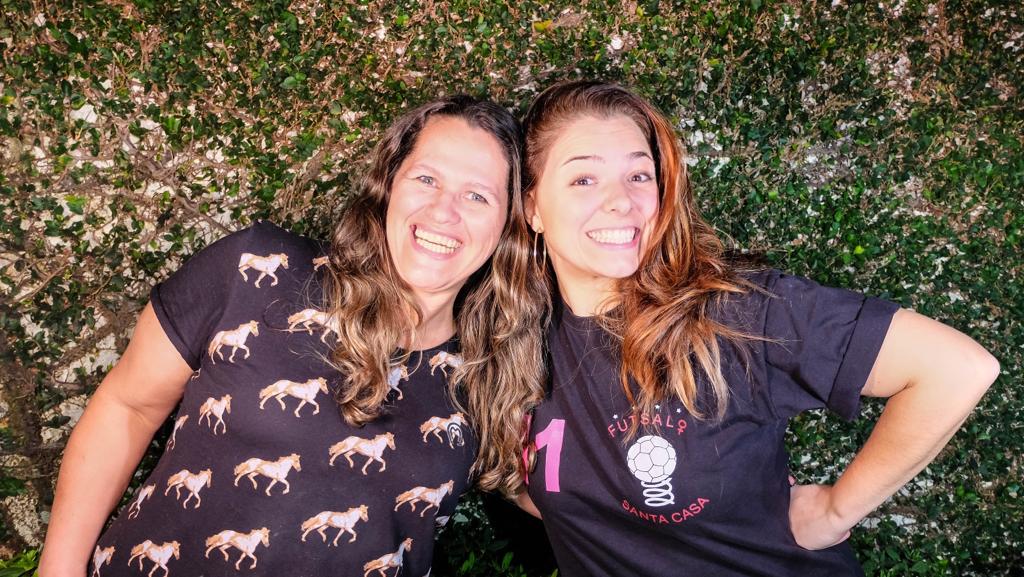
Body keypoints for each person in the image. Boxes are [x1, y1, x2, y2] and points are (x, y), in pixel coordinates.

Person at [505, 80, 1000, 576]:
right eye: (584, 180)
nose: (621, 201)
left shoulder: (732, 315)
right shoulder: (515, 337)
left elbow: (955, 369)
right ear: (531, 208)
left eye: (639, 174)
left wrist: (834, 511)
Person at [37, 95, 545, 577]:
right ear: (390, 184)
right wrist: (58, 568)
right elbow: (129, 406)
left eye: (477, 195)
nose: (443, 211)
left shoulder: (490, 374)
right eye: (426, 178)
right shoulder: (256, 271)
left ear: (509, 222)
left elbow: (569, 497)